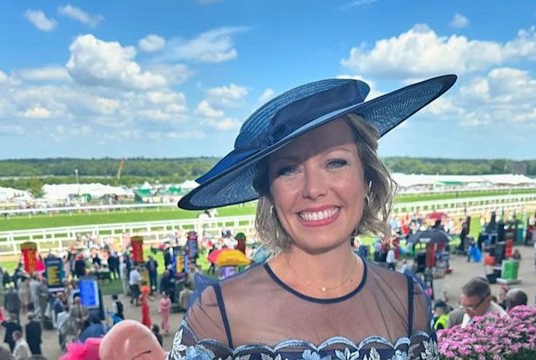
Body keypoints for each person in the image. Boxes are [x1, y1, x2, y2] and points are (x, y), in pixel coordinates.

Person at [166, 75, 456, 358]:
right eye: (288, 169)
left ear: (367, 177)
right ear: (269, 191)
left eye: (335, 162)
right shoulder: (218, 314)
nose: (314, 189)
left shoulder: (407, 299)